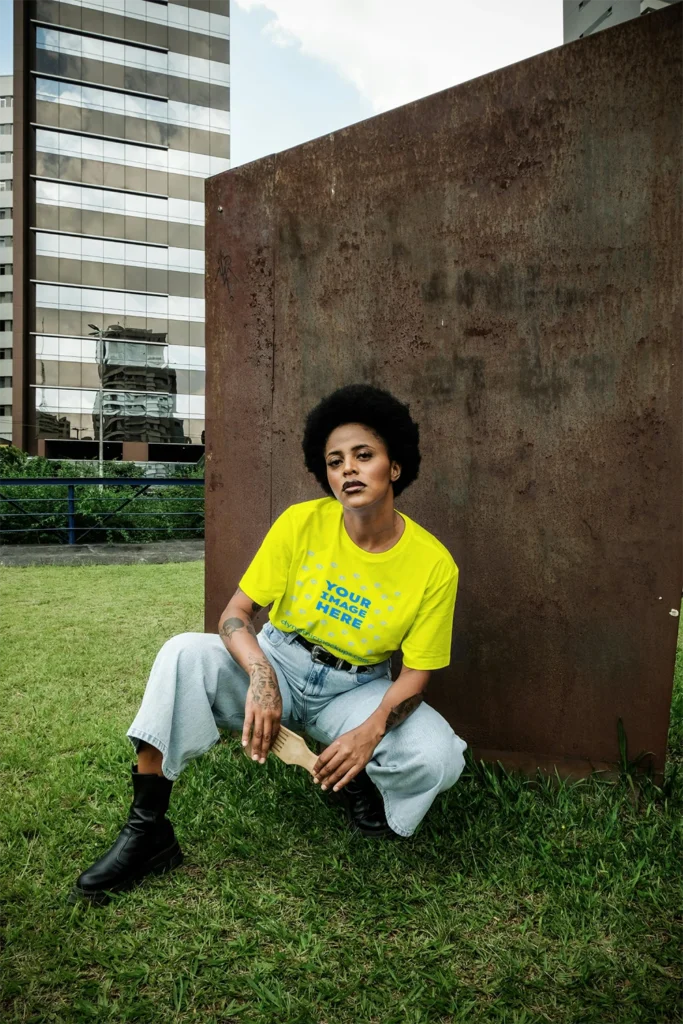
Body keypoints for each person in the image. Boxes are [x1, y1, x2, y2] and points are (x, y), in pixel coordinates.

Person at [71, 384, 467, 902]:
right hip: (277, 657)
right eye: (335, 460)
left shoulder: (434, 565)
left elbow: (416, 674)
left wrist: (369, 733)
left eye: (363, 456)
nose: (348, 469)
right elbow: (235, 615)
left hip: (355, 689)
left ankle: (361, 786)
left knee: (439, 756)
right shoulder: (300, 524)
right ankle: (149, 832)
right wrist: (260, 674)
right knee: (181, 653)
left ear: (394, 467)